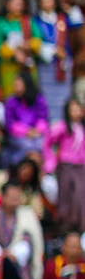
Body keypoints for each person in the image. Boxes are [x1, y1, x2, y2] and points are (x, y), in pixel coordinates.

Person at [34, 0, 74, 122]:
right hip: (46, 65)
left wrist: (70, 10)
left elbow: (78, 26)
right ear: (39, 2)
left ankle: (64, 128)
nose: (47, 1)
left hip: (64, 64)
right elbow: (35, 42)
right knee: (47, 98)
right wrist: (53, 50)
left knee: (65, 97)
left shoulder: (63, 18)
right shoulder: (35, 21)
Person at [46, 100, 85, 234]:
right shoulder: (62, 127)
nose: (76, 112)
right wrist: (50, 163)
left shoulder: (82, 128)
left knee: (80, 196)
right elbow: (48, 142)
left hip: (81, 167)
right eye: (72, 109)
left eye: (78, 109)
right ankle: (64, 229)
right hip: (66, 166)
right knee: (65, 196)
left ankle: (80, 227)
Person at [0, 0, 37, 93]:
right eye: (15, 0)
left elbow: (38, 40)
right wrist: (15, 52)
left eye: (21, 0)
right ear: (6, 3)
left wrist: (28, 45)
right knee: (11, 98)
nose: (19, 3)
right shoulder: (0, 24)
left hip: (28, 68)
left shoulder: (29, 21)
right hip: (9, 69)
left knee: (30, 97)